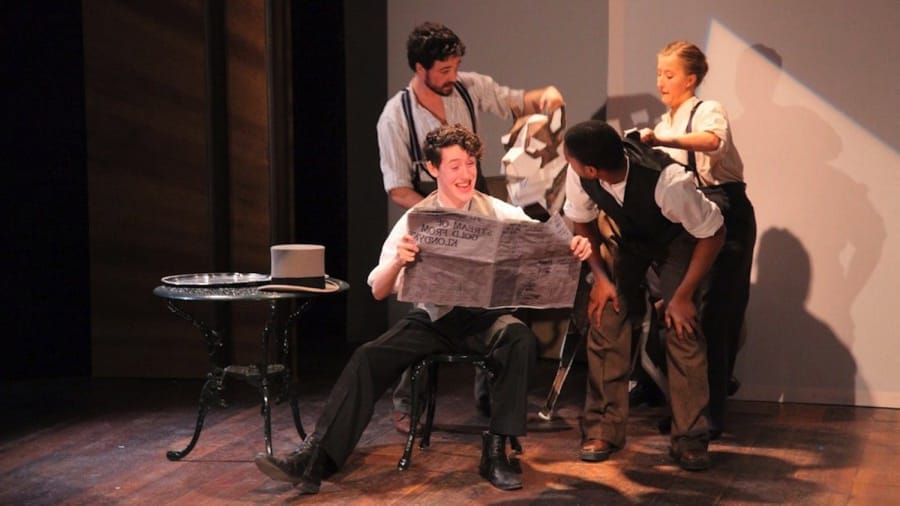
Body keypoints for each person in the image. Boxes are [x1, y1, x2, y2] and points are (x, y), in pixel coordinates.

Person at [255, 125, 592, 493]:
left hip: (483, 318)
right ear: (433, 169)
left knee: (519, 339)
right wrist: (399, 261)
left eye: (470, 164)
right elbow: (379, 289)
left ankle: (497, 450)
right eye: (454, 166)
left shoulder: (495, 209)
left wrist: (573, 245)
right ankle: (316, 458)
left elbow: (544, 242)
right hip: (433, 319)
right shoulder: (417, 219)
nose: (465, 174)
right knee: (369, 357)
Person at [377, 21, 565, 433]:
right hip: (433, 214)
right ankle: (409, 402)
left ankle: (491, 397)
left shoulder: (465, 86)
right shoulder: (396, 117)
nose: (452, 77)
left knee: (499, 297)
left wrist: (543, 96)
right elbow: (397, 189)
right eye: (443, 70)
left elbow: (514, 101)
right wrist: (443, 214)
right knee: (431, 310)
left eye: (455, 67)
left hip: (477, 205)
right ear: (420, 68)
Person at [563, 120, 725, 471]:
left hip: (679, 241)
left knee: (682, 329)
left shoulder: (669, 182)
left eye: (571, 160)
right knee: (606, 315)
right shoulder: (581, 173)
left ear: (593, 169)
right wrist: (601, 278)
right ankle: (604, 428)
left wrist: (682, 296)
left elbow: (713, 233)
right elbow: (582, 222)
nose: (568, 163)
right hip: (632, 239)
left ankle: (690, 438)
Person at [639, 40, 757, 438]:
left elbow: (712, 142)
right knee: (679, 313)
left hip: (725, 210)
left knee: (716, 314)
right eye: (658, 73)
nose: (661, 81)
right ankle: (688, 411)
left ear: (690, 79)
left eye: (669, 75)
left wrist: (660, 142)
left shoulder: (707, 111)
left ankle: (709, 417)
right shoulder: (664, 119)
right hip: (684, 216)